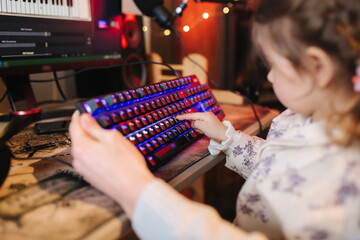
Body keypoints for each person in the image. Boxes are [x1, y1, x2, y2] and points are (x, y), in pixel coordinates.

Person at [69, 0, 360, 239]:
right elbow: (281, 169)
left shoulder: (344, 185)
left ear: (318, 67)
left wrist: (133, 186)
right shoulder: (308, 117)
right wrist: (227, 137)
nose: (269, 76)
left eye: (273, 65)